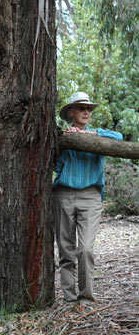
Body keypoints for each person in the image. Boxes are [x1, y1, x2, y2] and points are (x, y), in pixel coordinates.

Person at [53, 91, 123, 307]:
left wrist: (90, 135)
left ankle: (86, 298)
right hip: (63, 195)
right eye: (81, 108)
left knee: (85, 249)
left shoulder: (98, 135)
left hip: (91, 197)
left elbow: (119, 139)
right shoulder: (63, 136)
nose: (86, 112)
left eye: (88, 109)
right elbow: (55, 166)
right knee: (66, 249)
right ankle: (69, 298)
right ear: (71, 112)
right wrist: (68, 138)